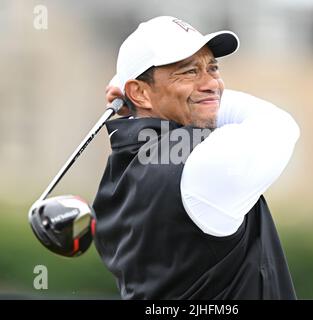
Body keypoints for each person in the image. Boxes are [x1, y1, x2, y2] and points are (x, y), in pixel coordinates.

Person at [93, 16, 300, 299]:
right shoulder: (200, 164)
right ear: (139, 92)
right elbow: (279, 124)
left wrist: (141, 93)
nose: (212, 83)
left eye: (213, 68)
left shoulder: (117, 176)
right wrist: (131, 86)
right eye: (189, 72)